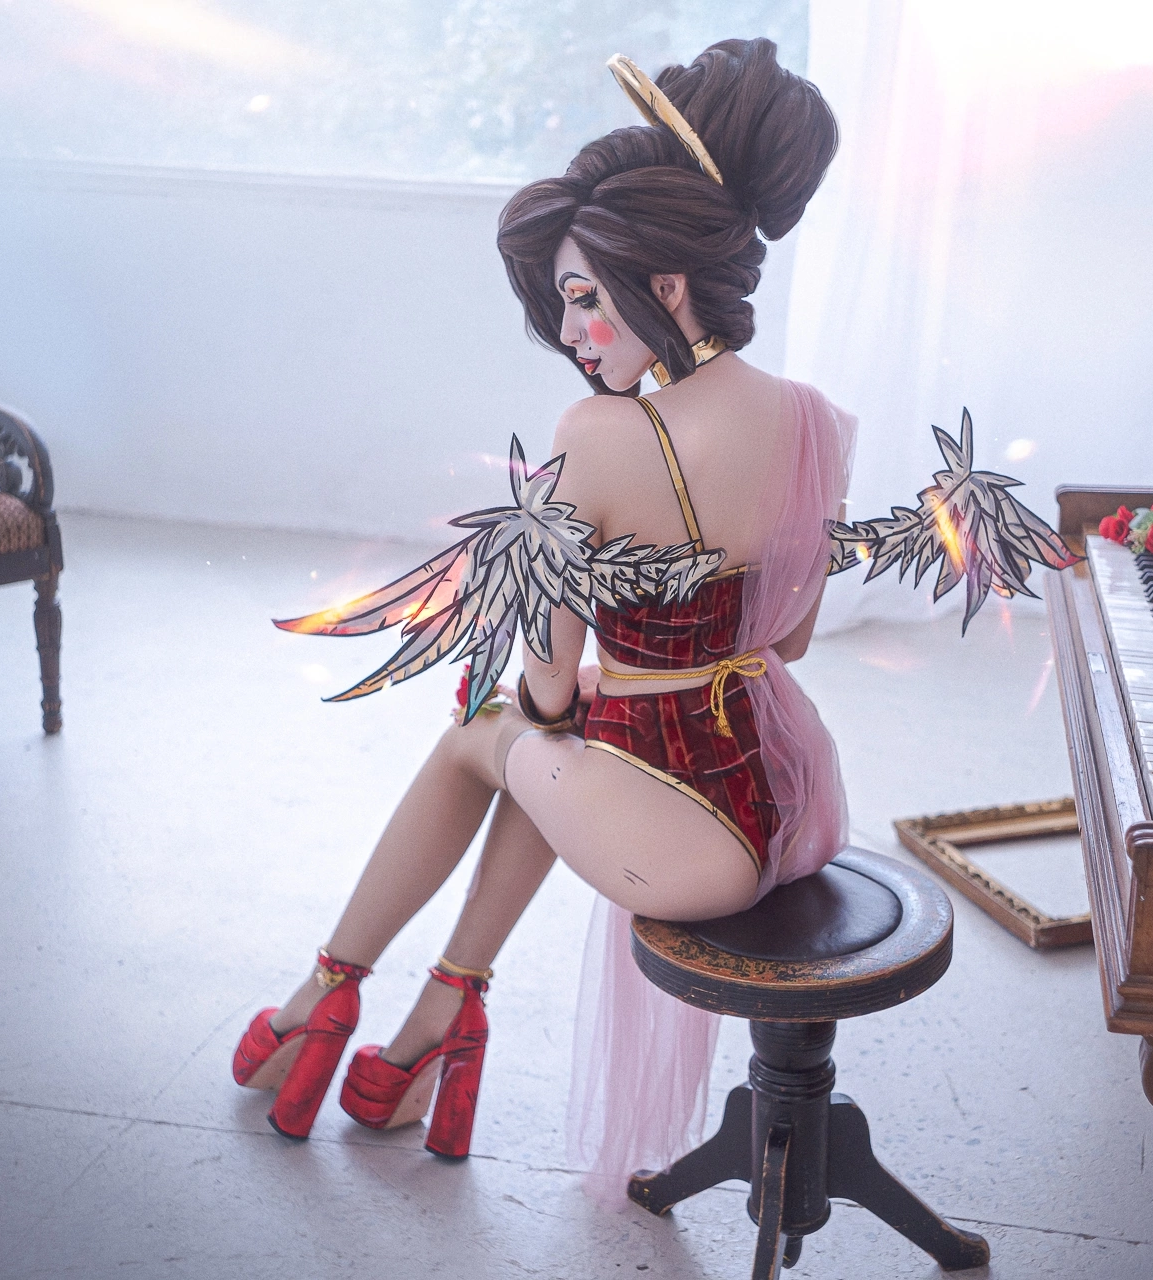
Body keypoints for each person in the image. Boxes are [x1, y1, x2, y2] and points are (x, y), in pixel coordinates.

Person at [231, 37, 1074, 1186]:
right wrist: (611, 695)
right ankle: (436, 1017)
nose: (576, 333)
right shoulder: (818, 420)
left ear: (667, 288)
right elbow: (786, 639)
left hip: (694, 843)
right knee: (552, 752)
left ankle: (325, 992)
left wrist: (564, 699)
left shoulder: (598, 434)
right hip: (800, 802)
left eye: (586, 298)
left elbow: (545, 678)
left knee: (486, 731)